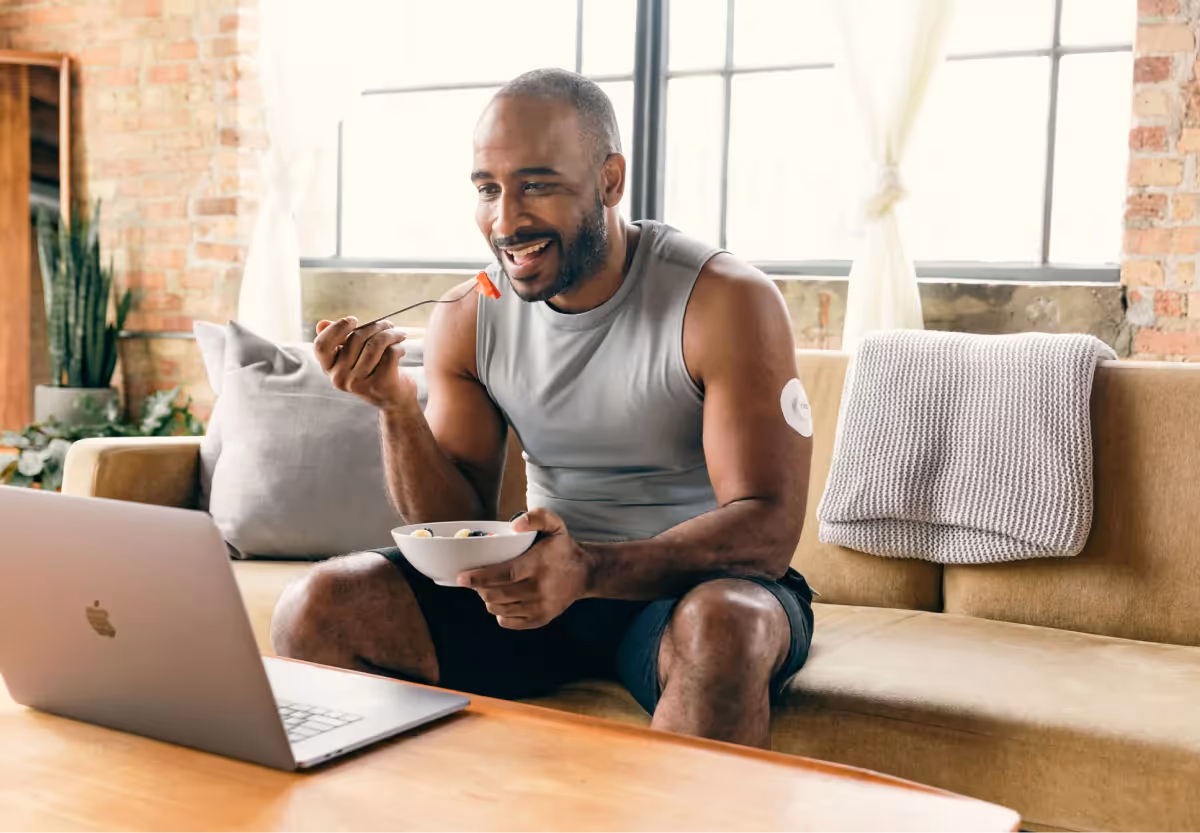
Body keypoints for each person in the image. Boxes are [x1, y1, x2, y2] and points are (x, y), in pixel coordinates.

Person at [272, 68, 814, 749]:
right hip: (541, 589)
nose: (506, 220)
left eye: (537, 184)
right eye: (487, 189)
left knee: (727, 622)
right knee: (317, 606)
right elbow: (455, 523)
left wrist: (587, 568)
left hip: (694, 591)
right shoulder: (469, 316)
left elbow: (767, 532)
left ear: (609, 181)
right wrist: (396, 408)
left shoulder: (724, 299)